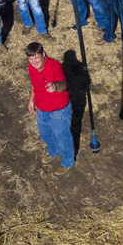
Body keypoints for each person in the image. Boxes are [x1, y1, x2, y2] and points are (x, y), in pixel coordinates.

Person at [26, 42, 75, 175]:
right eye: (30, 59)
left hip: (58, 112)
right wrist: (31, 100)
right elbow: (34, 84)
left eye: (36, 58)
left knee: (63, 138)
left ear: (43, 54)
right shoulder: (32, 67)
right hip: (42, 109)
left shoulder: (54, 66)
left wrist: (55, 86)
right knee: (45, 134)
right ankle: (53, 152)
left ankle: (67, 162)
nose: (34, 62)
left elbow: (64, 84)